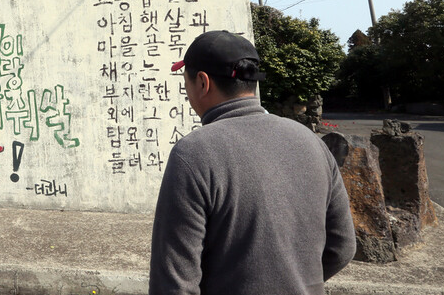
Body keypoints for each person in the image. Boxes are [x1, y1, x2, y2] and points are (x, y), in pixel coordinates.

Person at [149, 30, 355, 295]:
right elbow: (343, 246)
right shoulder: (311, 142)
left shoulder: (193, 154)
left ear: (202, 82)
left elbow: (173, 282)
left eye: (185, 81)